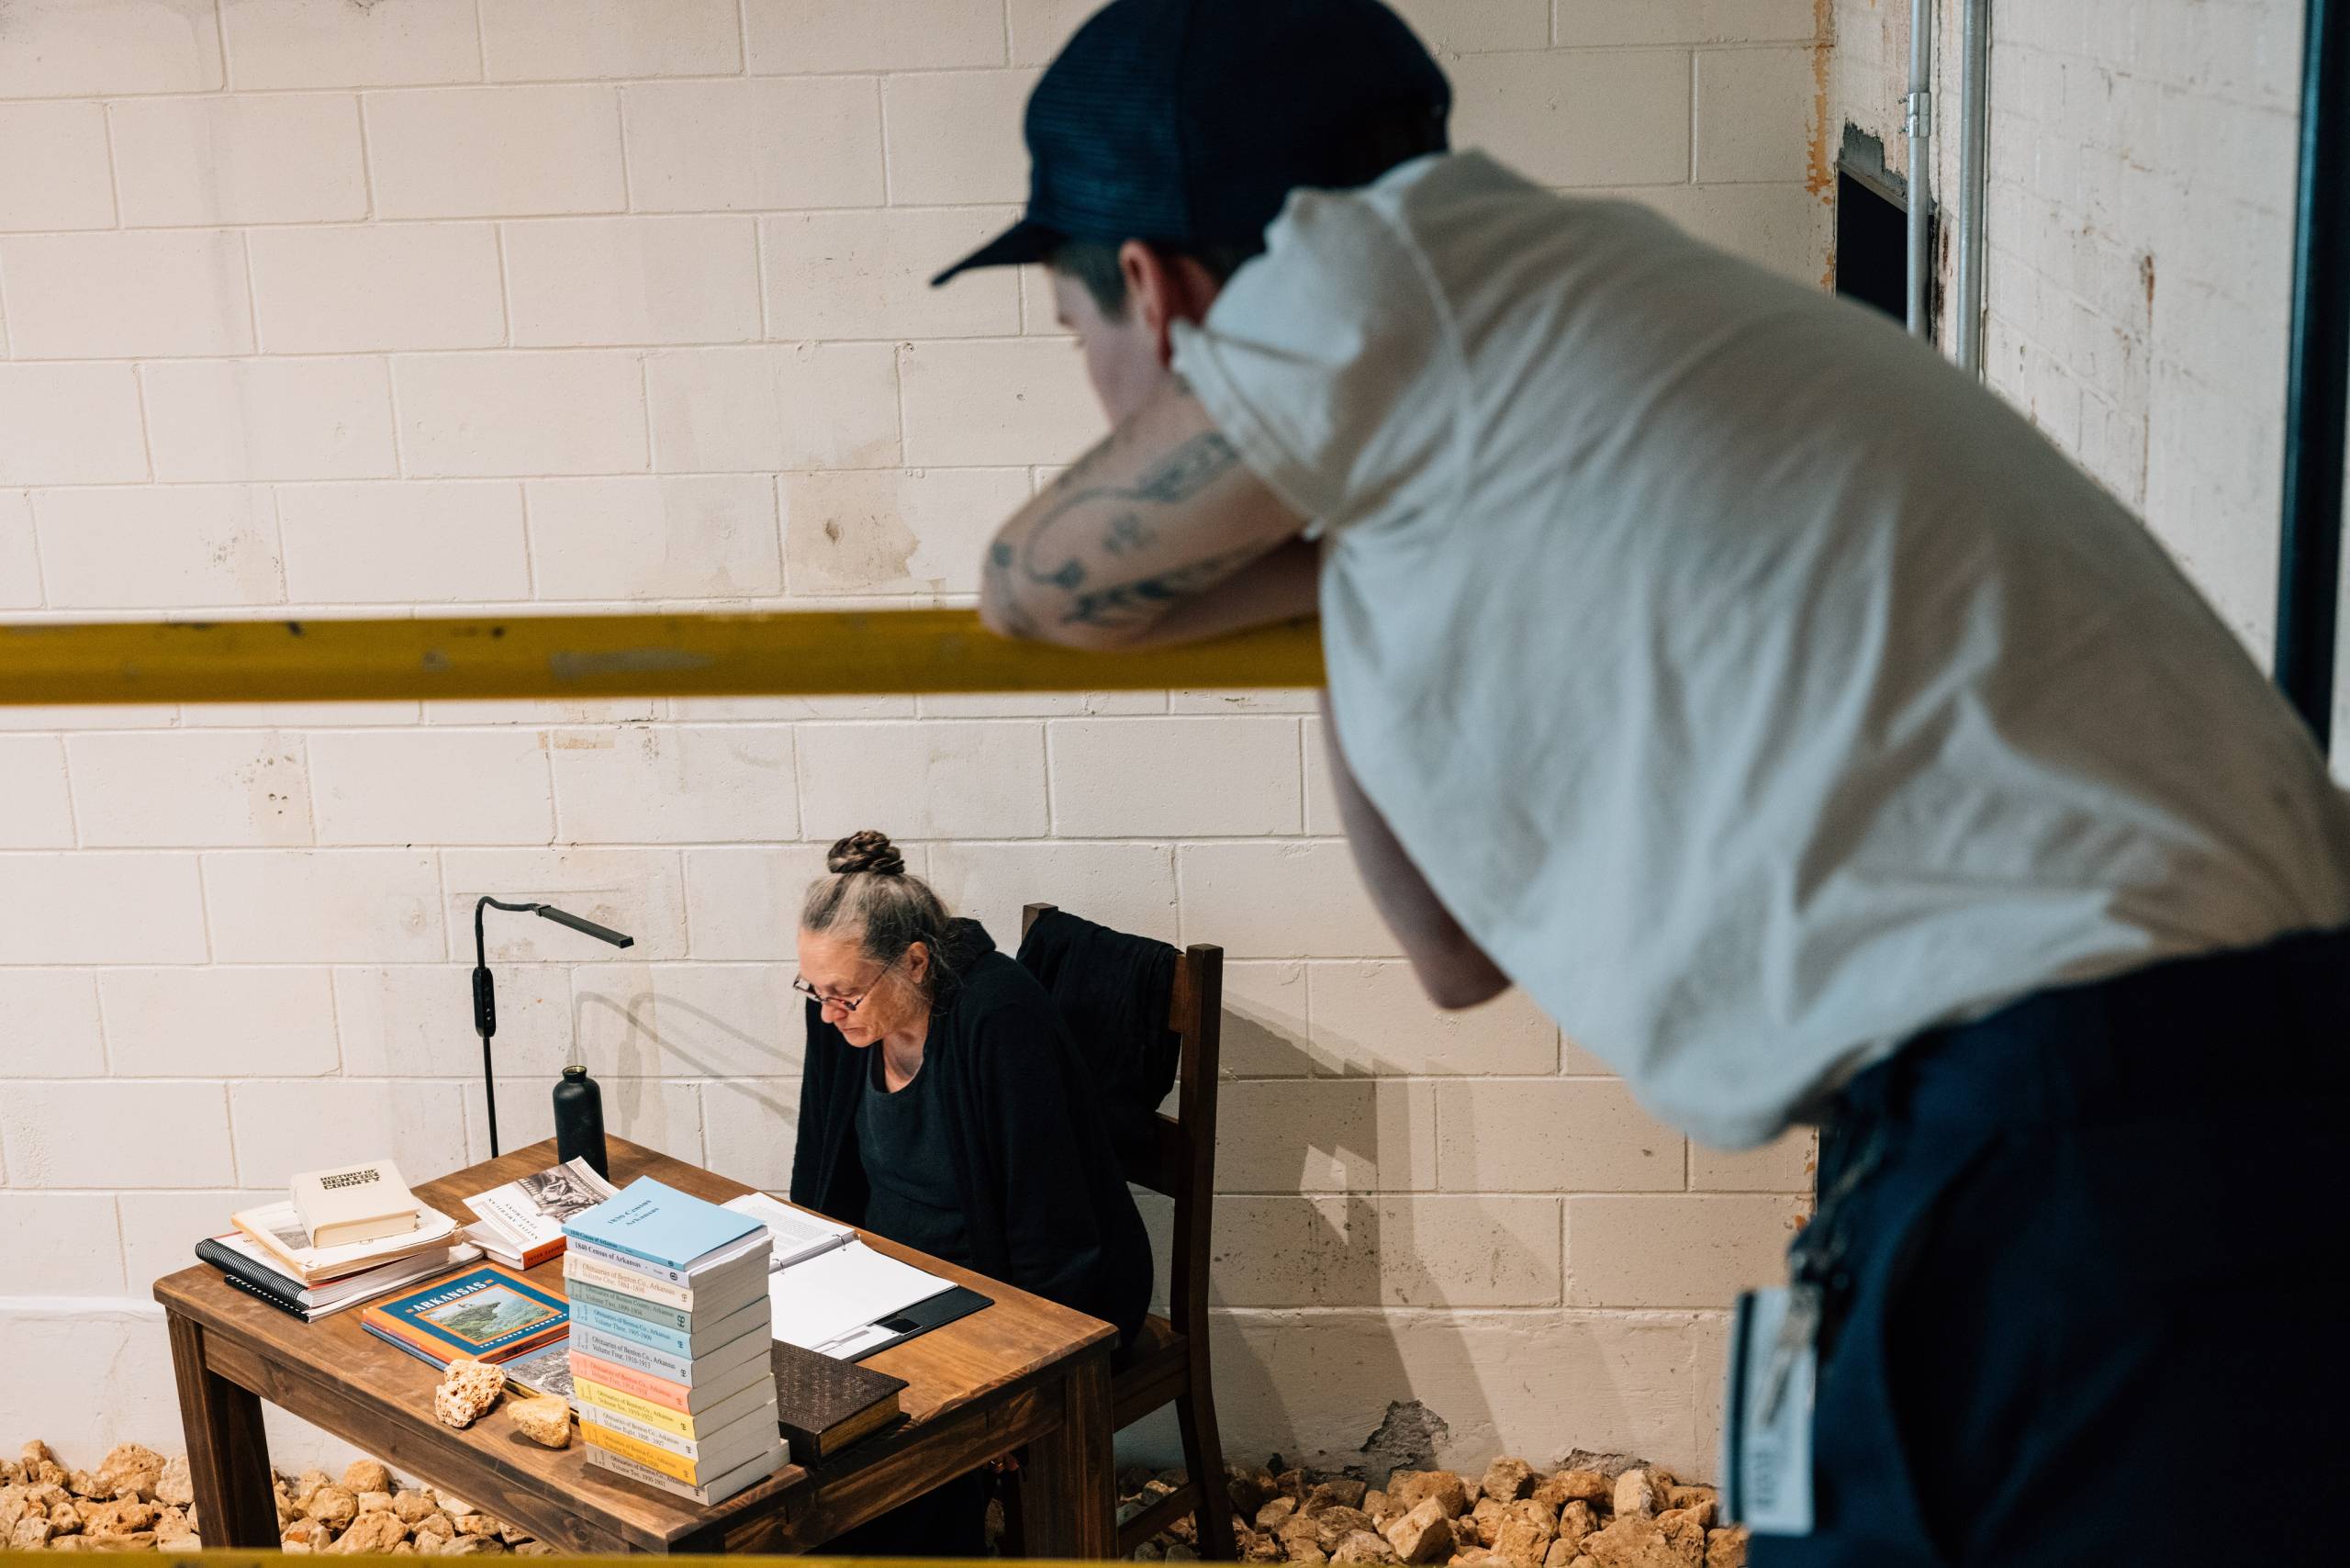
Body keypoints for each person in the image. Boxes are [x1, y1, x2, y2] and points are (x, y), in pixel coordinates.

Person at [934, 1, 2350, 1562]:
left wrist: (1268, 551)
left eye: (1085, 346)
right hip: (2126, 1099)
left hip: (2094, 1117)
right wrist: (1329, 573)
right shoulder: (1520, 349)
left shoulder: (1370, 271)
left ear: (1153, 281)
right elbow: (1453, 947)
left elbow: (1035, 579)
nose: (1100, 397)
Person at [787, 829, 1152, 1555]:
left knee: (896, 1446)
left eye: (846, 993)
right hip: (887, 1283)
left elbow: (1057, 1228)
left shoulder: (1000, 1020)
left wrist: (1021, 1384)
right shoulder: (841, 1022)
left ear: (915, 961)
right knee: (786, 1418)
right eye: (815, 990)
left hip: (1012, 1291)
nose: (830, 1012)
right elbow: (820, 1173)